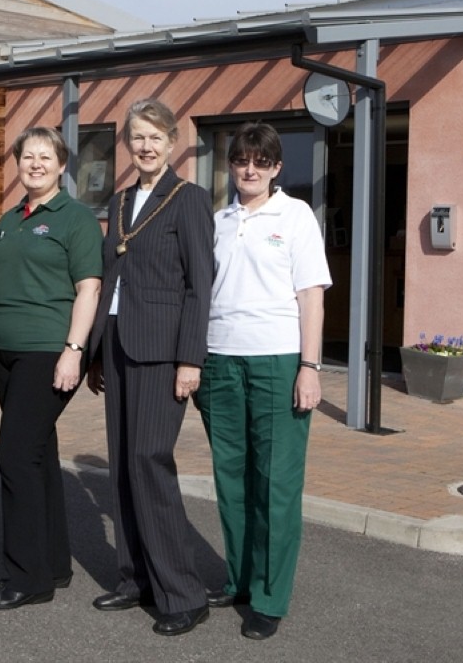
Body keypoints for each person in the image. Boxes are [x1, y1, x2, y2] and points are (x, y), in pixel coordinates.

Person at [196, 121, 331, 641]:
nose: (249, 170)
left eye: (261, 162)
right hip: (220, 360)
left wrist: (310, 367)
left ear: (276, 168)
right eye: (240, 161)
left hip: (277, 361)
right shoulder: (219, 220)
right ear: (231, 166)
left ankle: (271, 597)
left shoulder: (295, 217)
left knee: (275, 484)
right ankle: (241, 579)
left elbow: (312, 296)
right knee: (231, 480)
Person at [86, 98, 214, 636]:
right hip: (117, 343)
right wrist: (95, 351)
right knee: (121, 465)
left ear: (172, 142)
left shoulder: (189, 199)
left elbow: (199, 286)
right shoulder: (118, 203)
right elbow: (110, 276)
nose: (144, 146)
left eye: (154, 137)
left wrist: (191, 358)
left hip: (163, 351)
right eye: (137, 137)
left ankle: (183, 593)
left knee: (150, 460)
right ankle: (134, 577)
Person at [0, 127, 102, 610]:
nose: (35, 164)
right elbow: (0, 288)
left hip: (48, 350)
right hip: (6, 351)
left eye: (45, 157)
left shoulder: (76, 219)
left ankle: (27, 579)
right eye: (28, 156)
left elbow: (89, 288)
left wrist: (75, 348)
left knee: (14, 454)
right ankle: (54, 562)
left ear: (61, 164)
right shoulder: (10, 221)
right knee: (39, 454)